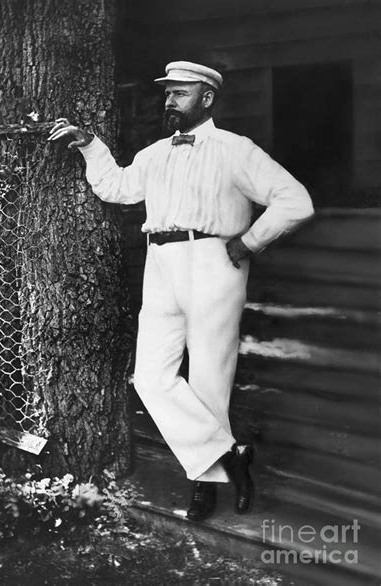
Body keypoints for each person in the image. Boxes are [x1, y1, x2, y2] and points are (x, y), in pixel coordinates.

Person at [49, 61, 314, 521]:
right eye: (167, 93)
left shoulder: (236, 150)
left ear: (207, 98)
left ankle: (204, 486)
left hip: (214, 261)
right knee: (151, 377)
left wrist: (250, 240)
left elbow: (295, 200)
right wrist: (90, 145)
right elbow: (118, 188)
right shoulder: (155, 153)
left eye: (181, 93)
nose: (169, 101)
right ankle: (230, 455)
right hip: (162, 264)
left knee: (210, 376)